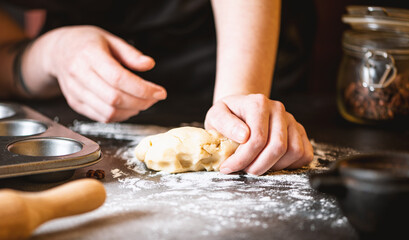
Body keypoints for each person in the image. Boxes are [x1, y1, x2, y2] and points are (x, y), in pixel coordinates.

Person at [0, 0, 314, 175]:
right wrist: (48, 54)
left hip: (231, 48)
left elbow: (239, 117)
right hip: (69, 86)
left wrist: (236, 107)